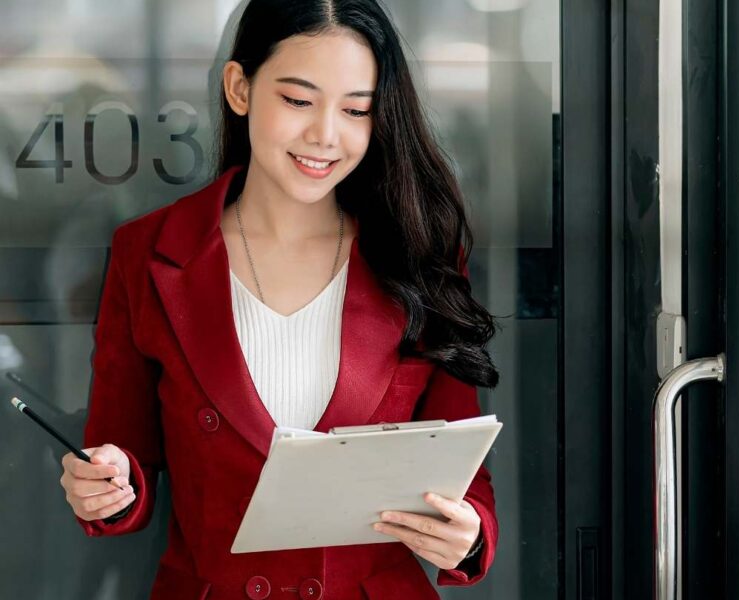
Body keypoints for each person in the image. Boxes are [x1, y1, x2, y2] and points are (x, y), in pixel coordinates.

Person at [58, 0, 500, 598]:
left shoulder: (419, 253)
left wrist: (468, 533)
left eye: (356, 110)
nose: (325, 135)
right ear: (239, 88)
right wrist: (105, 487)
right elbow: (124, 457)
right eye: (297, 100)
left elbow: (462, 462)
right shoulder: (149, 253)